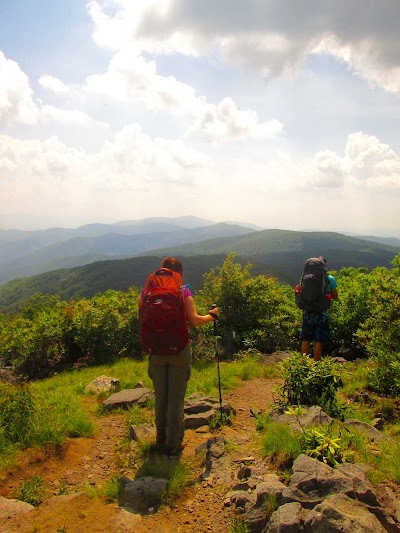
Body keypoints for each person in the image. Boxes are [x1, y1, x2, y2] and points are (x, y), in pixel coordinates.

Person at [138, 257, 219, 455]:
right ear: (179, 273)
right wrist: (212, 315)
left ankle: (160, 438)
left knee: (161, 396)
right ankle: (173, 443)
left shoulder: (148, 288)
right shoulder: (184, 289)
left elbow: (141, 312)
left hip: (155, 350)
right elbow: (194, 320)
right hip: (179, 349)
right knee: (176, 398)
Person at [300, 256, 338, 362]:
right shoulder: (329, 279)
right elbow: (335, 297)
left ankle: (304, 365)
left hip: (307, 311)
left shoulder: (306, 277)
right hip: (321, 313)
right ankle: (316, 366)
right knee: (318, 340)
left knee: (306, 339)